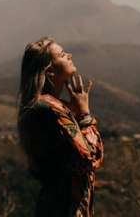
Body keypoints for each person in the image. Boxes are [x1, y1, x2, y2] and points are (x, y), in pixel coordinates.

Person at [17, 36, 104, 217]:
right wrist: (85, 114)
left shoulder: (49, 106)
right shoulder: (49, 109)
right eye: (63, 55)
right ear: (49, 72)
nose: (69, 55)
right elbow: (90, 158)